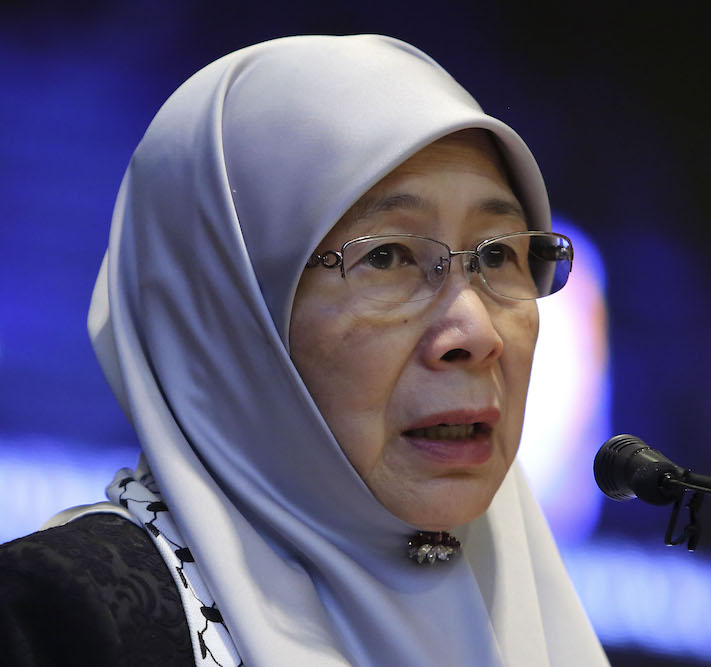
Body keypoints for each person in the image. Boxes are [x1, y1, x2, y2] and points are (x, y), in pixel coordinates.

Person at [0, 35, 609, 666]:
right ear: (230, 315)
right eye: (387, 256)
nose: (476, 333)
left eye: (497, 255)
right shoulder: (68, 623)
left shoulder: (531, 615)